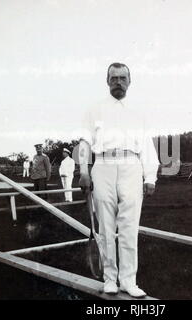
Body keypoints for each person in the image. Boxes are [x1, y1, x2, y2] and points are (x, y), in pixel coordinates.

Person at [78, 62, 159, 298]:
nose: (118, 82)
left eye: (123, 78)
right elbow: (84, 143)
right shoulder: (94, 110)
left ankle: (128, 280)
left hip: (131, 167)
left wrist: (150, 176)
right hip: (102, 166)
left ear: (130, 81)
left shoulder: (139, 112)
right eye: (114, 78)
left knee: (129, 227)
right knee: (105, 226)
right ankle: (110, 279)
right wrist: (84, 170)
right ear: (107, 81)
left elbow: (147, 146)